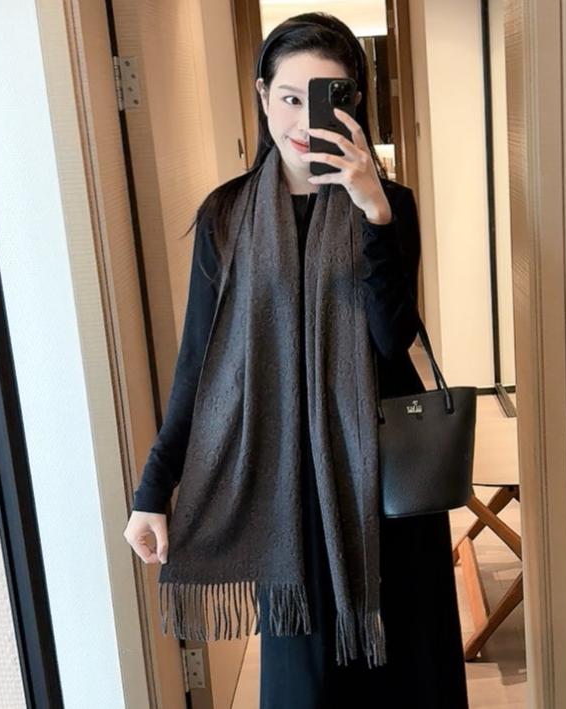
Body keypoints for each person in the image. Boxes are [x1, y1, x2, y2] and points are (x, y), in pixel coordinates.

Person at [124, 12, 469, 709]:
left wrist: (373, 214)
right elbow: (198, 364)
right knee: (306, 683)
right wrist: (152, 490)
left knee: (409, 671)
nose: (302, 120)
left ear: (352, 104)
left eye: (323, 98)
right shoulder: (226, 217)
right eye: (288, 97)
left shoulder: (391, 203)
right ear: (262, 96)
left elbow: (392, 337)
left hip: (385, 480)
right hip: (289, 485)